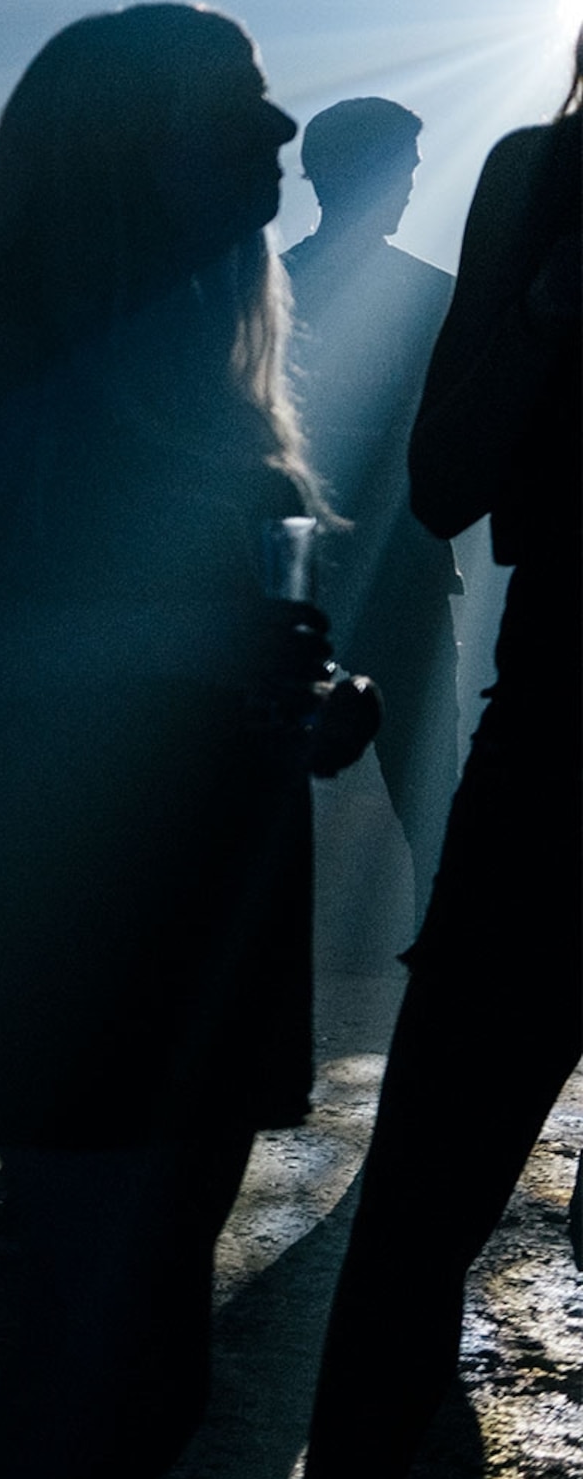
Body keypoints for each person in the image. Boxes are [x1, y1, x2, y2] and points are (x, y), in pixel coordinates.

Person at [0, 4, 374, 1479]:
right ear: (133, 151)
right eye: (237, 109)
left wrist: (313, 701)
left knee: (147, 1338)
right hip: (65, 883)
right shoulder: (2, 354)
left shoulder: (194, 350)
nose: (278, 131)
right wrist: (175, 649)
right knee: (113, 1338)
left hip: (197, 882)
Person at [305, 48, 579, 1479]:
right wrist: (542, 315)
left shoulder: (532, 181)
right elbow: (443, 476)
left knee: (426, 1187)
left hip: (553, 716)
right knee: (424, 1190)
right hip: (565, 724)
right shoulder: (542, 181)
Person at [282, 98, 460, 910]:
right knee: (429, 789)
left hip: (297, 574)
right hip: (403, 568)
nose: (412, 185)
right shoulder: (433, 295)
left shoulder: (273, 289)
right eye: (404, 170)